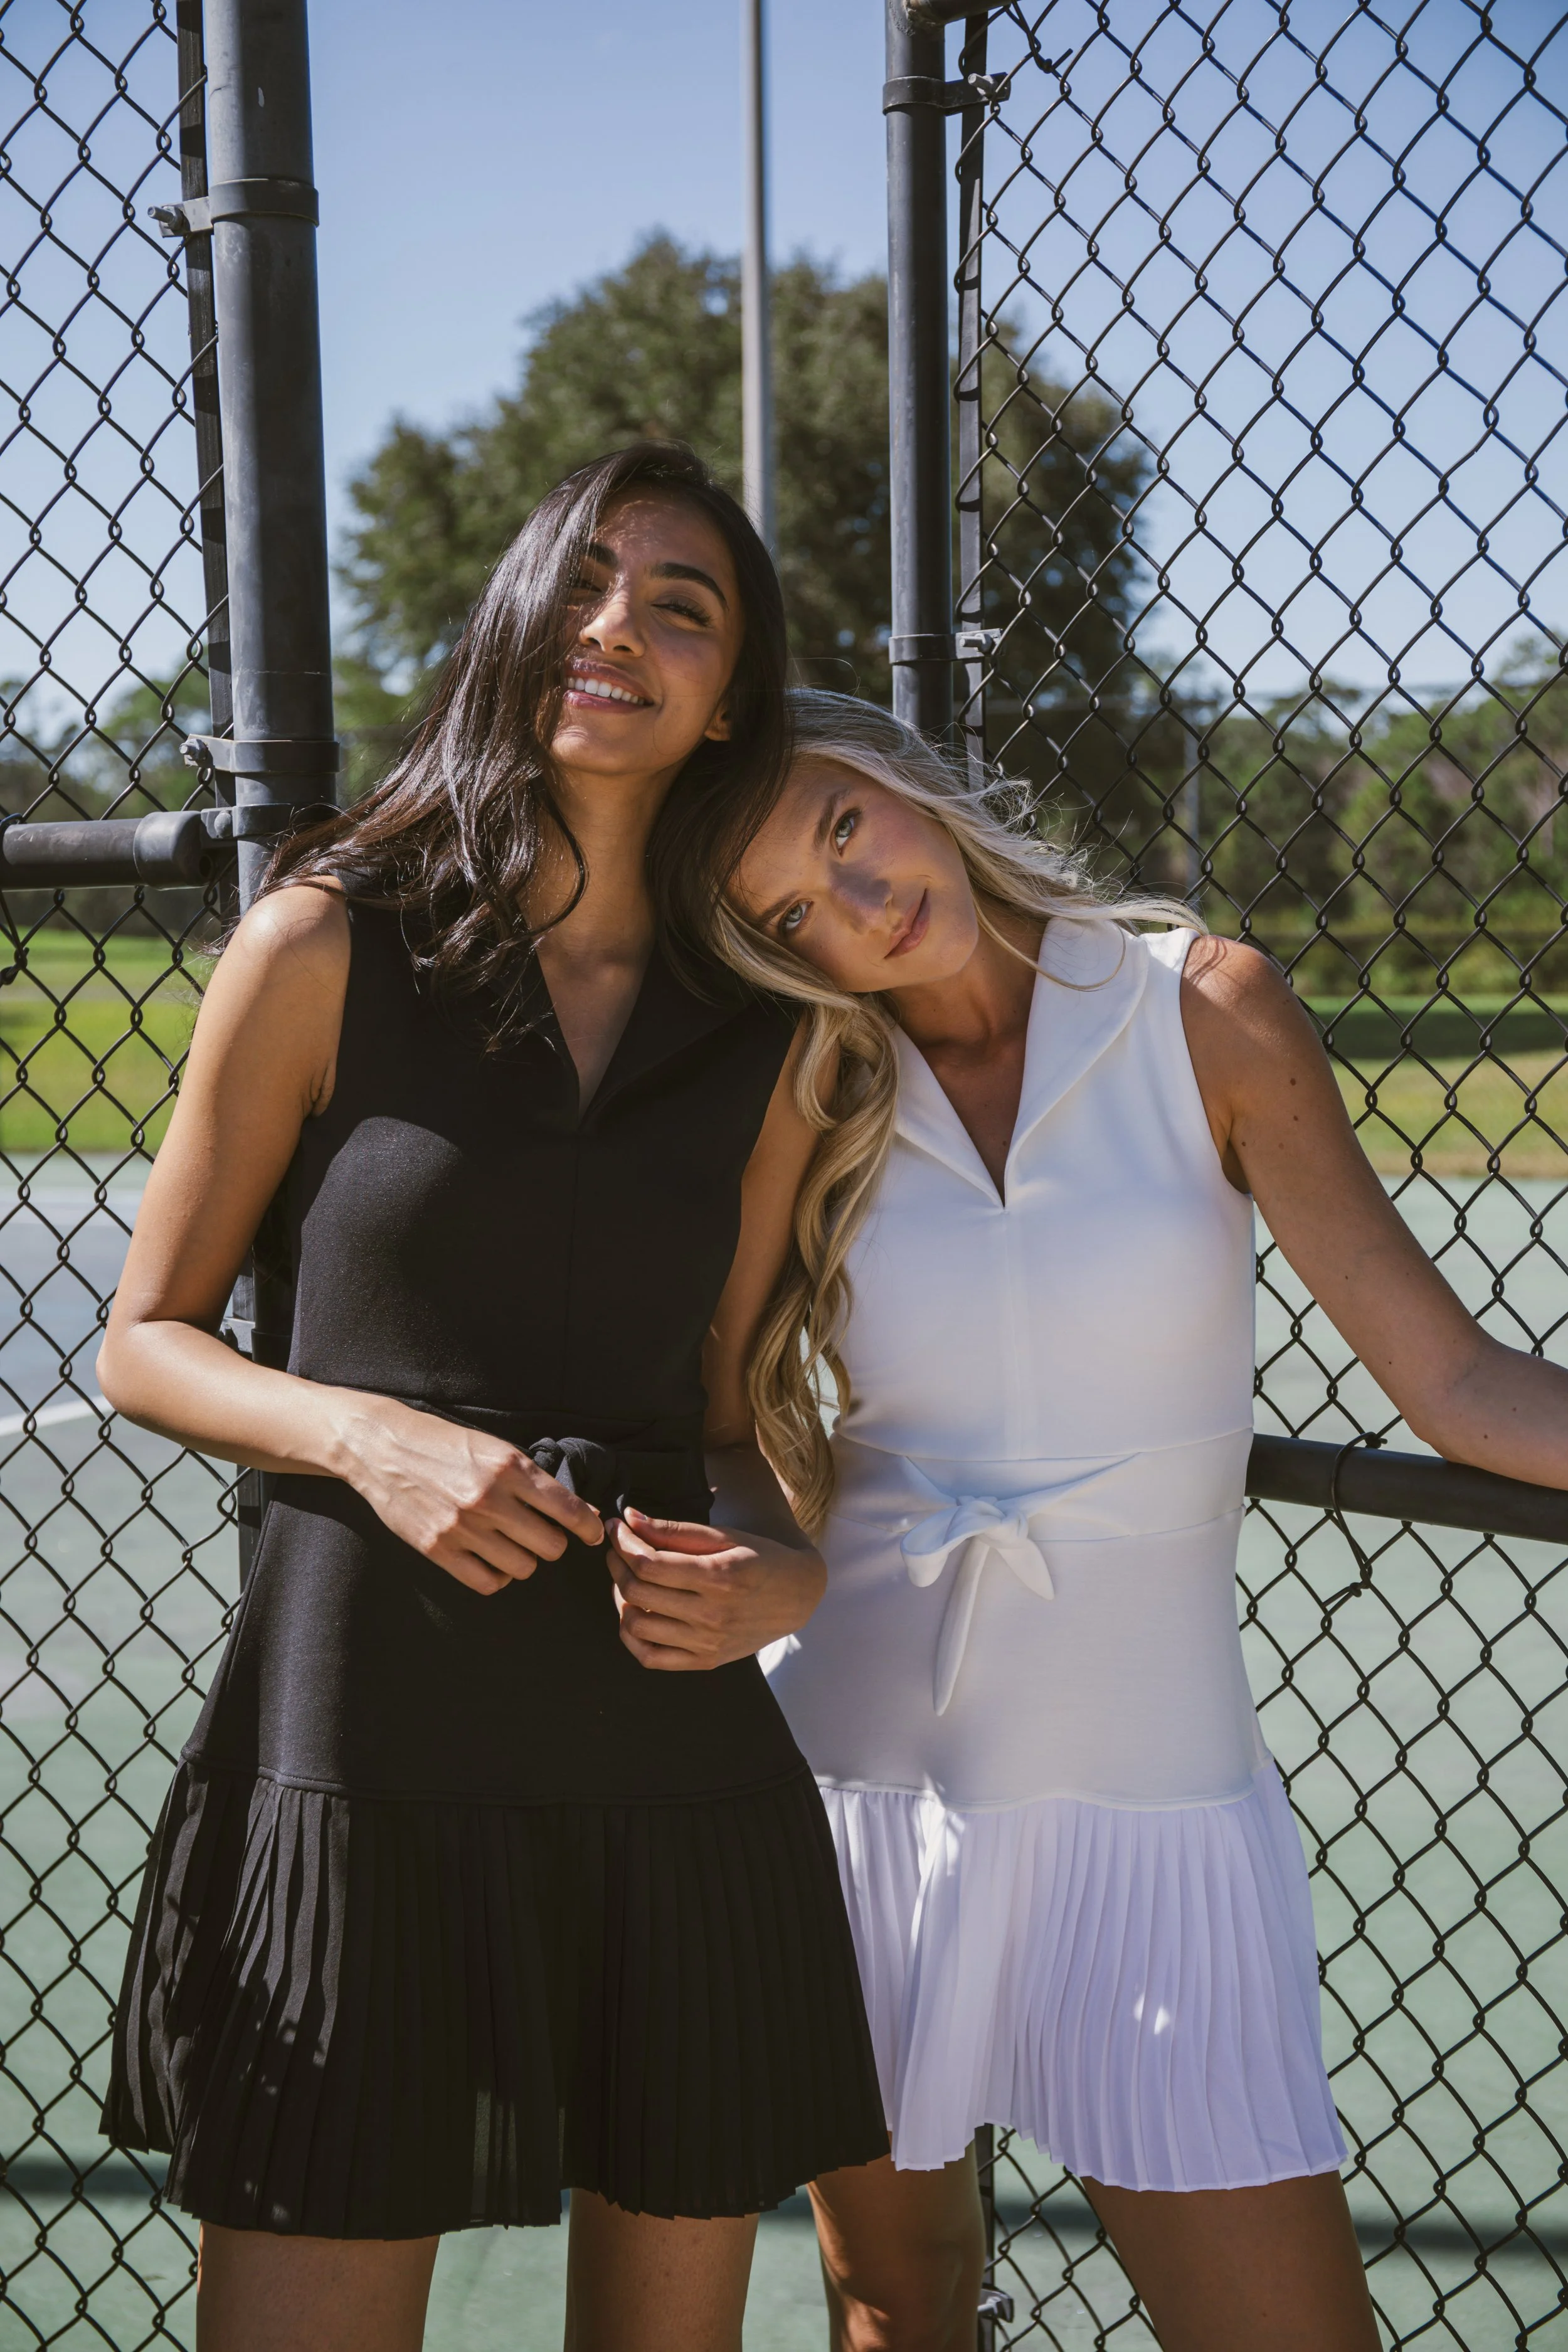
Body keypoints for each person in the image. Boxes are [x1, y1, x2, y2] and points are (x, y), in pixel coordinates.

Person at [605, 689, 1568, 2352]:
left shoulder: (1203, 1009)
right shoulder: (806, 1086)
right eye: (790, 914)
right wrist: (773, 1556)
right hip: (863, 1789)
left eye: (846, 828)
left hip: (1156, 1803)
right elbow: (719, 1426)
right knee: (900, 2302)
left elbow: (1457, 1380)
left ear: (901, 785)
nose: (858, 901)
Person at [96, 456, 887, 2352]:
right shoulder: (321, 938)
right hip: (363, 1737)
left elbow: (731, 1393)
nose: (620, 625)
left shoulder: (770, 1024)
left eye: (681, 606)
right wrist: (366, 1430)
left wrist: (791, 1569)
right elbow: (147, 1335)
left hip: (664, 1767)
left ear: (724, 694)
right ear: (517, 619)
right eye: (589, 583)